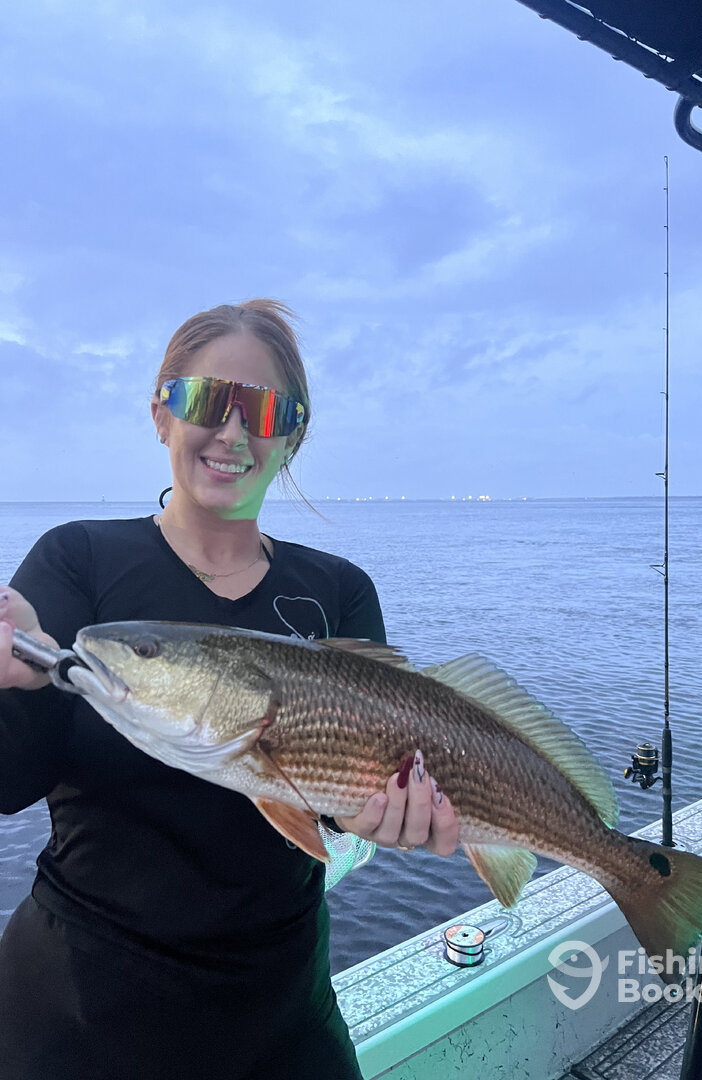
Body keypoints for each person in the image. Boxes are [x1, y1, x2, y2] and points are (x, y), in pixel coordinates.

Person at [0, 299, 459, 1080]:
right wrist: (19, 688)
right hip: (76, 1003)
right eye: (208, 400)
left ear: (292, 436)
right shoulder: (78, 560)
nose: (234, 433)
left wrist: (378, 818)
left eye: (265, 411)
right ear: (161, 414)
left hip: (278, 1007)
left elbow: (340, 807)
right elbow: (11, 780)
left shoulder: (339, 590)